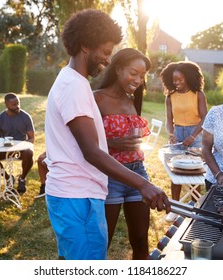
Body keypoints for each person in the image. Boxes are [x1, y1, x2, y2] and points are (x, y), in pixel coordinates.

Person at [44, 9, 170, 260]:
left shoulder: (75, 81)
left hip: (81, 194)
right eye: (105, 51)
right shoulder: (74, 86)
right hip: (75, 196)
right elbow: (91, 151)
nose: (107, 59)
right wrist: (142, 184)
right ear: (85, 46)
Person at [93, 48, 152, 259]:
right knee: (102, 243)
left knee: (140, 240)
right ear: (118, 69)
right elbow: (85, 143)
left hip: (138, 173)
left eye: (142, 75)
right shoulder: (96, 99)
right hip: (110, 177)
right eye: (134, 72)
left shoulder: (132, 99)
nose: (138, 79)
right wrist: (113, 142)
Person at [160, 61, 207, 206]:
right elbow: (169, 119)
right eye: (174, 80)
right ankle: (175, 206)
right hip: (178, 133)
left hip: (196, 134)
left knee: (195, 172)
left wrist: (193, 136)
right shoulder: (170, 97)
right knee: (176, 171)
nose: (177, 83)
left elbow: (205, 118)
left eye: (180, 79)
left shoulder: (198, 94)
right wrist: (171, 134)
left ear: (187, 77)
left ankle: (195, 205)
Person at [0, 93, 35, 195]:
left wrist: (24, 146)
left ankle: (22, 178)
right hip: (4, 149)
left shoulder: (25, 117)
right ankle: (8, 178)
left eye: (18, 103)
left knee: (29, 152)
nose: (17, 106)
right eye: (14, 105)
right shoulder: (0, 118)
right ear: (7, 105)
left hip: (21, 148)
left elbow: (31, 138)